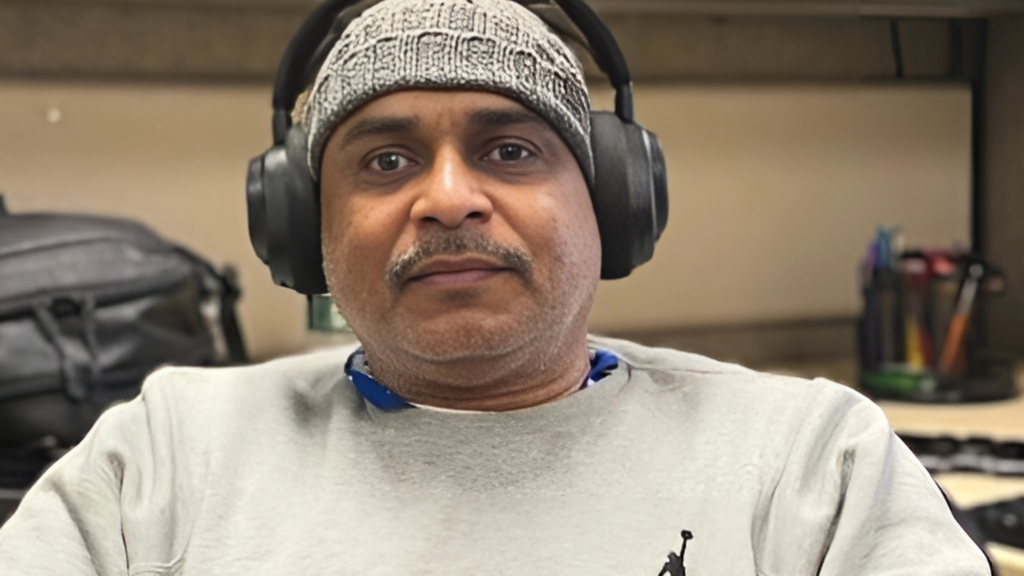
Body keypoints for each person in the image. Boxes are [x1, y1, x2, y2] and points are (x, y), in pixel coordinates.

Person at [0, 0, 992, 574]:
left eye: (508, 149)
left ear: (611, 201)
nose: (447, 198)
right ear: (304, 230)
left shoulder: (811, 463)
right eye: (384, 163)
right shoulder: (163, 455)